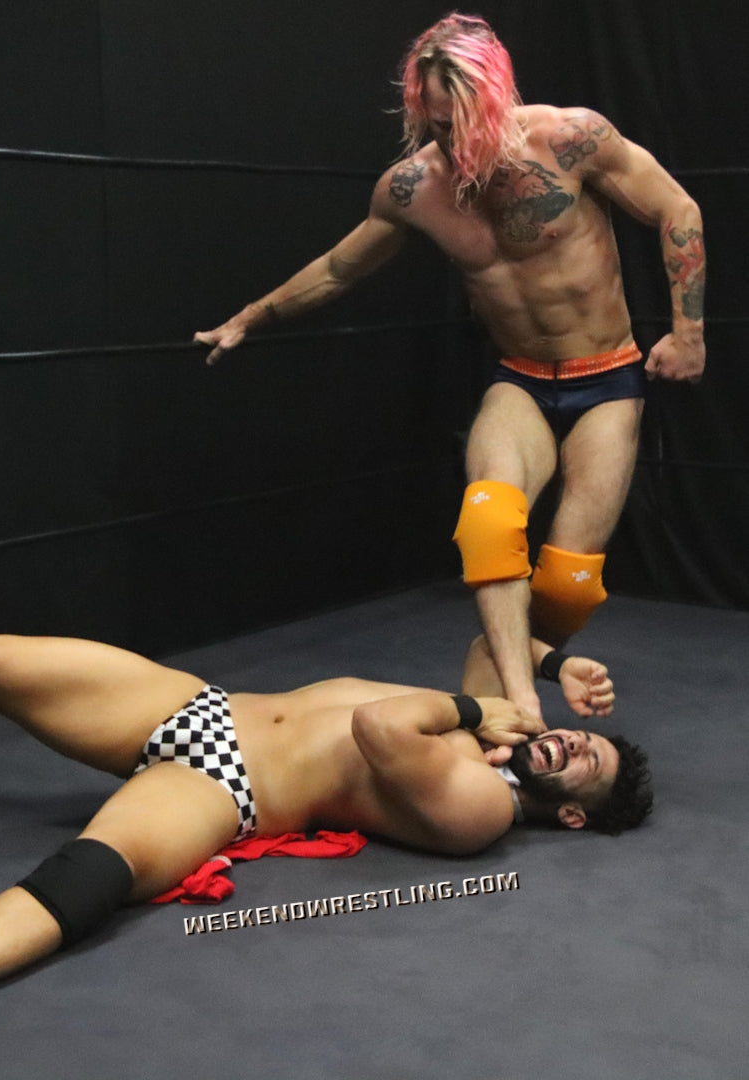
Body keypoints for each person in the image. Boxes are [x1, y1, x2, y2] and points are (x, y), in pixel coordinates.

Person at [194, 13, 706, 723]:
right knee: (490, 523)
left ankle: (497, 684)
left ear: (498, 97)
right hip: (521, 378)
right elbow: (339, 268)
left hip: (608, 378)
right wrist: (251, 316)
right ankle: (521, 706)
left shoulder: (570, 138)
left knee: (567, 587)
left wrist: (688, 332)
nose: (453, 139)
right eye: (437, 125)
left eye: (465, 122)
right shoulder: (413, 188)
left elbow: (677, 207)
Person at [0, 631, 651, 1060]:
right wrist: (557, 664)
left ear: (573, 817)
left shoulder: (483, 808)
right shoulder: (504, 731)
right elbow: (488, 646)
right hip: (203, 706)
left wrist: (475, 712)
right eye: (584, 737)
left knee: (94, 872)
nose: (573, 744)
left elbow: (381, 727)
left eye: (587, 766)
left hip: (229, 788)